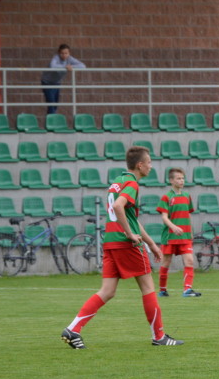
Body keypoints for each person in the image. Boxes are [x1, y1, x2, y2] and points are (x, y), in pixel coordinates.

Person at [61, 146, 183, 349]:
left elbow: (129, 216)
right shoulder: (132, 183)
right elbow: (119, 206)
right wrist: (129, 234)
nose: (151, 166)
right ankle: (159, 336)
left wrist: (151, 244)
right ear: (140, 165)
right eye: (149, 162)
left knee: (107, 291)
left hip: (111, 242)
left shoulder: (117, 181)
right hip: (126, 244)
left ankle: (73, 329)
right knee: (148, 288)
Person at [156, 167, 201, 298]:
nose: (181, 181)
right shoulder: (167, 197)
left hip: (185, 236)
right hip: (170, 236)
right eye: (178, 178)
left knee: (189, 261)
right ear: (171, 180)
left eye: (182, 178)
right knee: (166, 263)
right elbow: (164, 217)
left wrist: (190, 231)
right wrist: (173, 227)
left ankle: (187, 290)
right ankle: (162, 290)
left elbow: (188, 214)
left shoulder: (187, 196)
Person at [41, 44, 86, 114]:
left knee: (55, 104)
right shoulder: (56, 58)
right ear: (59, 53)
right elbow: (52, 66)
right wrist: (65, 67)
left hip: (57, 83)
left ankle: (50, 118)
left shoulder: (70, 59)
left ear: (69, 53)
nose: (64, 55)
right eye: (62, 53)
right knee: (51, 103)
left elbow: (83, 66)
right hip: (47, 82)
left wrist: (71, 67)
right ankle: (52, 119)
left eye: (66, 53)